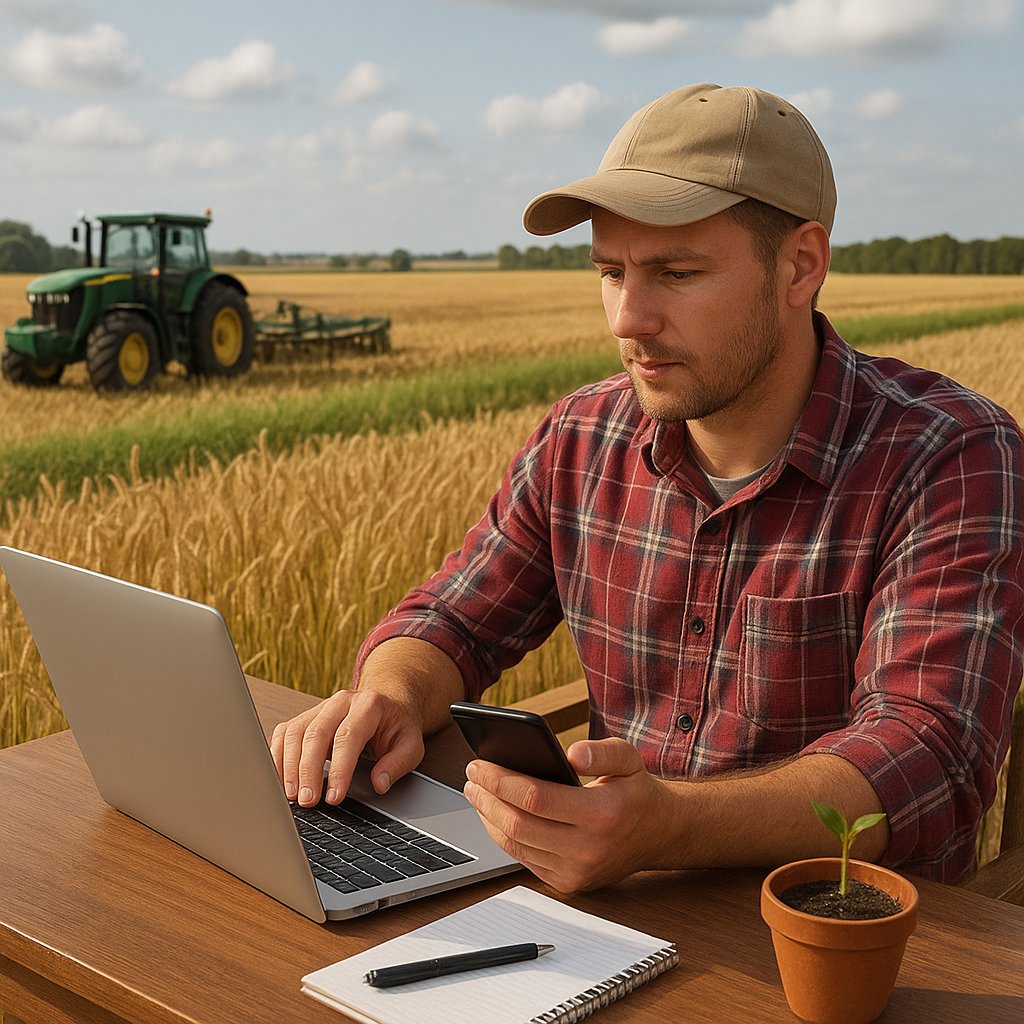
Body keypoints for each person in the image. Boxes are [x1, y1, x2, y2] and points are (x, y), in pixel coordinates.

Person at [272, 83, 1024, 890]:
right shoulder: (581, 437)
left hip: (839, 940)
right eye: (610, 271)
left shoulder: (951, 455)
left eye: (675, 271)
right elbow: (455, 616)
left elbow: (928, 753)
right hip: (610, 916)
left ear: (800, 265)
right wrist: (388, 694)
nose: (628, 318)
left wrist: (669, 824)